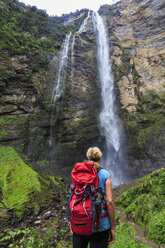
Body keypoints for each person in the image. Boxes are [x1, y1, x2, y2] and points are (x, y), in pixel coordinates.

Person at [71, 147, 115, 248]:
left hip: (80, 222)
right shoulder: (104, 174)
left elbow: (74, 196)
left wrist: (72, 221)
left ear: (88, 156)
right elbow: (109, 201)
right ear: (99, 157)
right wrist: (112, 227)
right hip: (101, 224)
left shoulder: (77, 173)